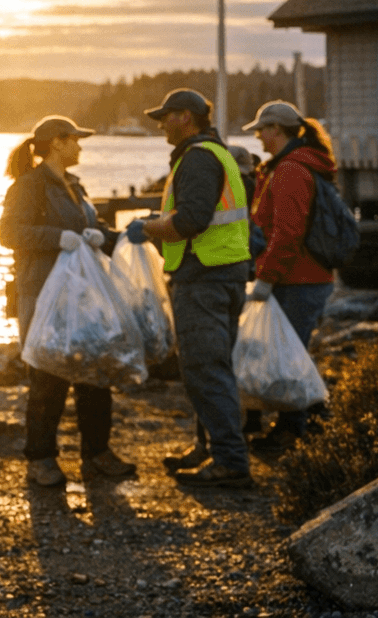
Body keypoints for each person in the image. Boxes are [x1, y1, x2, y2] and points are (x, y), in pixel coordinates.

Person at [0, 115, 137, 487]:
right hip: (43, 294)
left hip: (81, 294)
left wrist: (108, 236)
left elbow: (87, 227)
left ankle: (97, 454)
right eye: (74, 140)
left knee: (95, 368)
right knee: (48, 375)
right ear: (57, 143)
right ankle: (40, 459)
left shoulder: (74, 185)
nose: (79, 146)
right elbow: (9, 233)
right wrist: (57, 238)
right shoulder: (29, 185)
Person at [127, 89, 253, 488]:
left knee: (205, 369)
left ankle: (230, 461)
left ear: (185, 117)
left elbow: (192, 220)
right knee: (211, 366)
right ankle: (208, 447)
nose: (161, 125)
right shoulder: (216, 154)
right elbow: (203, 214)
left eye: (166, 117)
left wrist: (148, 228)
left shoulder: (197, 158)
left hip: (205, 277)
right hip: (224, 273)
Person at [242, 99, 338, 454]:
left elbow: (288, 233)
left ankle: (291, 433)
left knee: (290, 356)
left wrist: (266, 278)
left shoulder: (290, 171)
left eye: (261, 130)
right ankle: (307, 422)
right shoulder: (295, 165)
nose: (258, 137)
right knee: (292, 352)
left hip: (298, 278)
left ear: (276, 130)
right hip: (305, 276)